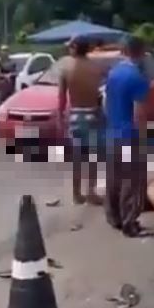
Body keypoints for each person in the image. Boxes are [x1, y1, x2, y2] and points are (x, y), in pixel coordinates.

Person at [103, 36, 151, 238]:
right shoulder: (138, 78)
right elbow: (139, 113)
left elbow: (105, 103)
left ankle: (114, 217)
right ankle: (129, 222)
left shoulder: (113, 74)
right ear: (141, 52)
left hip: (113, 132)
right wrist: (142, 137)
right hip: (129, 135)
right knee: (131, 179)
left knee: (114, 177)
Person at [58, 36, 105, 205]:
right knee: (92, 156)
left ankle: (76, 193)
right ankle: (91, 192)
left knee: (77, 158)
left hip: (75, 116)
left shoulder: (66, 68)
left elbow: (62, 98)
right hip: (93, 114)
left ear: (75, 48)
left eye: (70, 46)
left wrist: (60, 119)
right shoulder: (96, 68)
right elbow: (101, 95)